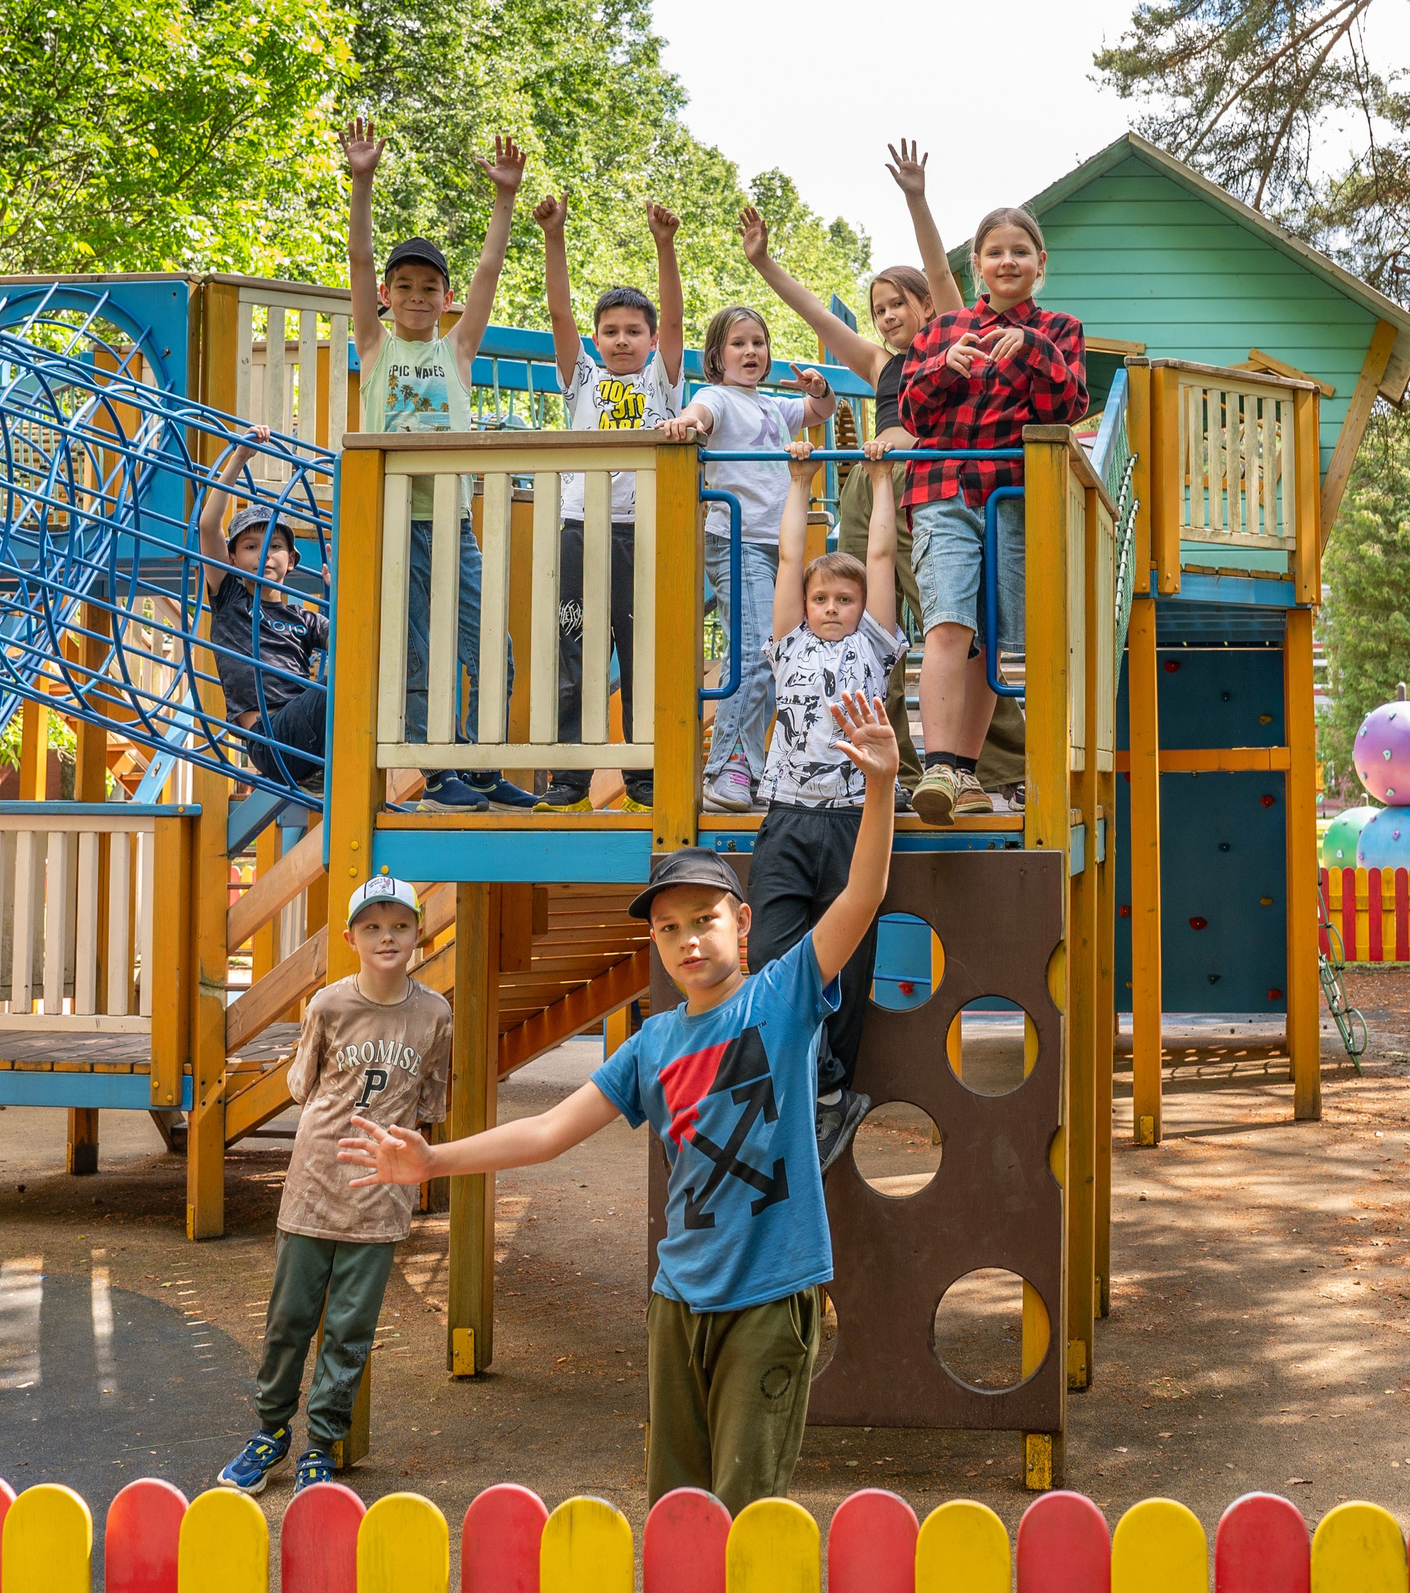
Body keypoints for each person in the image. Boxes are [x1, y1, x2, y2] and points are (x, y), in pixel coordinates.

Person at [340, 693, 898, 1512]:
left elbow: (860, 898)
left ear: (742, 924)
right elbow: (546, 1131)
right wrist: (433, 1159)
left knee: (749, 1507)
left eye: (705, 920)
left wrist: (878, 788)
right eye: (670, 930)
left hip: (770, 1300)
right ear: (657, 946)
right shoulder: (654, 1044)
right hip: (679, 1300)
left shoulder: (780, 999)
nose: (690, 941)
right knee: (677, 1508)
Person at [737, 141, 1031, 812]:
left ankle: (985, 766)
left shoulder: (960, 336)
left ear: (930, 306)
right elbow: (815, 315)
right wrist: (764, 263)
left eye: (899, 303)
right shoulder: (882, 366)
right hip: (873, 493)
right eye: (879, 309)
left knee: (953, 625)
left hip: (934, 491)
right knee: (876, 624)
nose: (889, 317)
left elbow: (938, 264)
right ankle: (886, 759)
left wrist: (915, 197)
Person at [218, 872, 452, 1496]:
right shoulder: (327, 1005)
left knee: (350, 1328)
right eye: (372, 926)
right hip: (314, 1184)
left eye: (400, 925)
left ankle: (322, 1440)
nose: (387, 937)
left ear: (417, 932)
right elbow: (303, 1084)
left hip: (379, 1196)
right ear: (350, 936)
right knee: (289, 1318)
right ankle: (269, 1432)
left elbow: (429, 1098)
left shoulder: (434, 1013)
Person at [343, 116, 536, 813]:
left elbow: (488, 270)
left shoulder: (456, 352)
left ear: (445, 300)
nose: (418, 296)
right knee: (420, 653)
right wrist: (362, 181)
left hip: (453, 522)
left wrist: (504, 200)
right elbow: (360, 261)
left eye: (431, 288)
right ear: (387, 297)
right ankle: (438, 769)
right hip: (398, 522)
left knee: (491, 645)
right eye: (406, 286)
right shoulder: (376, 349)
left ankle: (482, 766)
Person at [896, 205, 1088, 825]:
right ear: (976, 265)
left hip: (1014, 497)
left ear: (1040, 265)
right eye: (995, 252)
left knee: (999, 638)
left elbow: (1064, 408)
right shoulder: (945, 328)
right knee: (948, 624)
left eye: (1021, 251)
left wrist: (1031, 348)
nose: (1008, 261)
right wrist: (940, 368)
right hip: (946, 489)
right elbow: (914, 414)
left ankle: (979, 771)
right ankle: (941, 768)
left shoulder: (1060, 330)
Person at [749, 447, 902, 1171]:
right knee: (770, 951)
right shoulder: (788, 645)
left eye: (845, 599)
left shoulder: (877, 641)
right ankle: (788, 1077)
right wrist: (800, 482)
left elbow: (878, 549)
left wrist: (877, 481)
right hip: (786, 813)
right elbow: (786, 561)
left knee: (851, 954)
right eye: (823, 600)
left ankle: (835, 1087)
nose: (834, 609)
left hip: (850, 817)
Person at [528, 190, 685, 812]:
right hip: (579, 529)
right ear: (597, 339)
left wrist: (665, 247)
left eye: (634, 331)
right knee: (578, 651)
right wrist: (554, 236)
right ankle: (570, 782)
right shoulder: (583, 380)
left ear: (649, 340)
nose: (622, 340)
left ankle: (644, 782)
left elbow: (675, 319)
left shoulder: (660, 381)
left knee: (640, 655)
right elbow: (560, 314)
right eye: (611, 331)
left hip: (642, 533)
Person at [659, 303, 838, 812]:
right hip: (736, 540)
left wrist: (819, 388)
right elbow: (700, 415)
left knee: (779, 656)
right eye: (739, 343)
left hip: (779, 546)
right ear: (717, 356)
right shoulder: (716, 396)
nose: (751, 351)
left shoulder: (773, 406)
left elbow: (822, 412)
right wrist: (684, 423)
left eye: (758, 342)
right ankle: (726, 768)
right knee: (763, 651)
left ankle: (750, 767)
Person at [196, 435, 328, 786]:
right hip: (271, 738)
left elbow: (354, 637)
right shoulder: (230, 599)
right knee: (341, 683)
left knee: (385, 660)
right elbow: (208, 527)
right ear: (234, 557)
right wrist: (239, 458)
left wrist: (342, 590)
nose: (264, 556)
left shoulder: (304, 619)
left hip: (309, 735)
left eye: (275, 547)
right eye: (252, 547)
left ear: (292, 560)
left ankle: (449, 769)